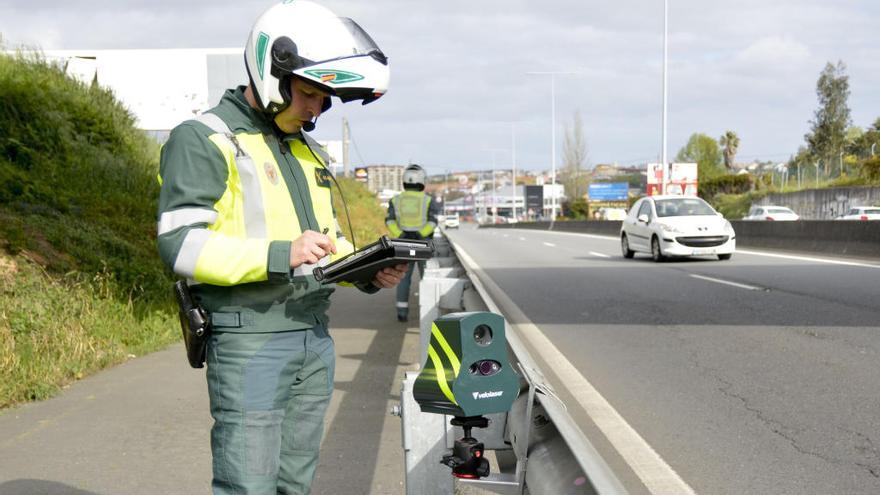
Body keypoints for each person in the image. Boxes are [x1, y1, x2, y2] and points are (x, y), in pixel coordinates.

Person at [156, 2, 406, 493]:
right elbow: (180, 245)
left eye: (325, 100)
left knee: (295, 484)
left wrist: (365, 271)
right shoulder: (205, 138)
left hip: (313, 337)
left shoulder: (303, 149)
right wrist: (279, 254)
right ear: (275, 73)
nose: (316, 109)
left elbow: (325, 243)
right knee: (248, 485)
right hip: (252, 339)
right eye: (310, 93)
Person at [385, 164, 440, 322]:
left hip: (402, 244)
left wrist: (402, 234)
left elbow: (389, 221)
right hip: (423, 244)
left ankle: (402, 313)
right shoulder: (428, 200)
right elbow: (433, 221)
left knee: (403, 279)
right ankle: (429, 314)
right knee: (426, 279)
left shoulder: (395, 200)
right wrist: (420, 234)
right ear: (422, 180)